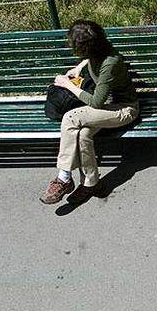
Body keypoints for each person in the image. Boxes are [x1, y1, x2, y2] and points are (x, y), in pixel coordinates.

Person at [40, 20, 140, 204]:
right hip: (106, 109)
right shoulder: (98, 54)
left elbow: (96, 102)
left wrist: (68, 85)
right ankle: (92, 183)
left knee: (70, 118)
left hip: (124, 108)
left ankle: (63, 178)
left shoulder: (110, 63)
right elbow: (91, 61)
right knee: (82, 134)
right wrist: (79, 67)